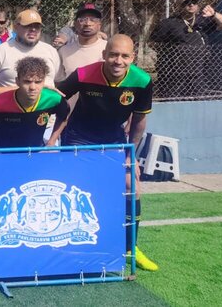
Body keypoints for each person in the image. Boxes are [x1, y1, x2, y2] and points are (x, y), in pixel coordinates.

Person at [56, 34, 158, 271]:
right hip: (79, 138)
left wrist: (131, 155)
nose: (118, 61)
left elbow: (139, 121)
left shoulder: (142, 81)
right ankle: (69, 248)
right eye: (113, 55)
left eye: (124, 56)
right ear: (104, 55)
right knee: (77, 190)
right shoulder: (84, 74)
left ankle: (131, 248)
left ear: (133, 57)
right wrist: (52, 134)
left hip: (114, 141)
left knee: (132, 187)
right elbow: (57, 95)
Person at [150, 0, 222, 98]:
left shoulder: (202, 20)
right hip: (174, 75)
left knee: (197, 101)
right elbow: (153, 41)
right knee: (172, 101)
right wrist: (168, 55)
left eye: (194, 2)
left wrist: (214, 14)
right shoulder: (169, 23)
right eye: (187, 3)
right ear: (179, 6)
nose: (191, 5)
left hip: (197, 73)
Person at [0, 57, 68, 148]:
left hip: (35, 152)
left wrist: (51, 142)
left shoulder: (54, 99)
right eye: (27, 82)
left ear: (44, 82)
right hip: (2, 152)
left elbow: (63, 117)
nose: (33, 87)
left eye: (38, 82)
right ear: (17, 81)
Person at [0, 9, 60, 91]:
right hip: (11, 99)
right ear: (16, 27)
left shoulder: (51, 51)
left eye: (37, 26)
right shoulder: (0, 51)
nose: (33, 29)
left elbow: (57, 81)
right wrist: (22, 90)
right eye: (28, 25)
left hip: (47, 99)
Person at [56, 3, 107, 82]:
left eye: (93, 20)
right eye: (82, 19)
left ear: (99, 25)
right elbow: (59, 81)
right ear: (75, 24)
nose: (87, 24)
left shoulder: (108, 48)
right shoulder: (64, 51)